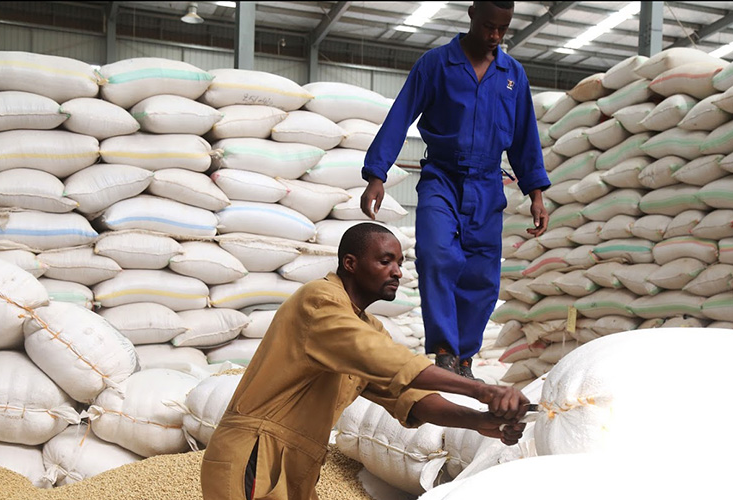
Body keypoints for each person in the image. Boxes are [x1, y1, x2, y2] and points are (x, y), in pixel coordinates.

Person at [201, 223, 530, 500]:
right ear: (351, 263)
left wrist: (477, 421)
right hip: (257, 454)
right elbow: (384, 359)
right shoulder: (319, 300)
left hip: (298, 463)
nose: (398, 271)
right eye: (386, 261)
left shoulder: (370, 328)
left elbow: (408, 398)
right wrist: (482, 391)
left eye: (399, 262)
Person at [361, 1, 550, 380]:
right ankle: (445, 350)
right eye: (487, 26)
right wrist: (377, 174)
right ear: (471, 15)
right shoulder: (436, 64)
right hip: (442, 178)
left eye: (502, 28)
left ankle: (464, 360)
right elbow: (400, 116)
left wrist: (536, 193)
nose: (494, 36)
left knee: (481, 275)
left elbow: (525, 136)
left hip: (487, 184)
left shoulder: (512, 74)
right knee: (436, 255)